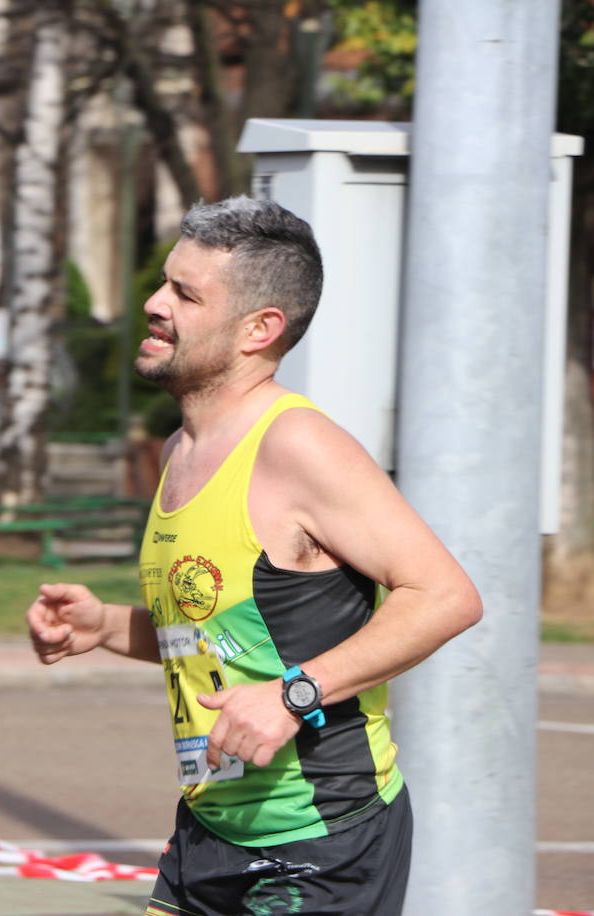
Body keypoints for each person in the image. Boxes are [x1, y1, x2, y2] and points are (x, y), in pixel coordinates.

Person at [26, 197, 482, 916]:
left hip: (324, 840)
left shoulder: (298, 446)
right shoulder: (181, 449)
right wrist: (106, 626)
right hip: (209, 831)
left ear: (259, 329)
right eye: (163, 283)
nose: (154, 304)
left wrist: (292, 695)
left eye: (184, 293)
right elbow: (230, 631)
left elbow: (445, 595)